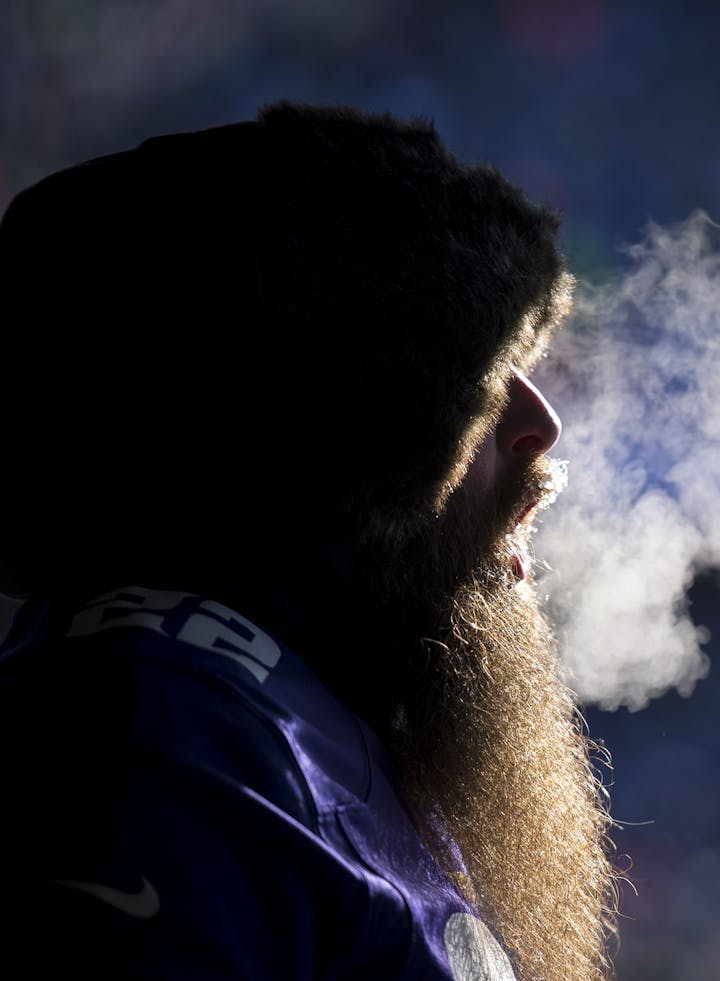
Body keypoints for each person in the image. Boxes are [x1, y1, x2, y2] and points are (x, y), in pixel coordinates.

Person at [0, 103, 617, 980]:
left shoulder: (291, 709)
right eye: (469, 388)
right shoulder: (159, 729)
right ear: (325, 438)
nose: (540, 421)